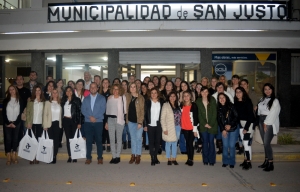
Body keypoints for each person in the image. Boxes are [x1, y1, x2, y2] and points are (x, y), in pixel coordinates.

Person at [257, 83, 281, 172]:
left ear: (272, 90)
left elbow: (273, 113)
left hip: (269, 122)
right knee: (264, 143)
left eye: (269, 89)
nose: (267, 91)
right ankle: (266, 161)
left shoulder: (275, 101)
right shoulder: (262, 99)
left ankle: (271, 163)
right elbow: (260, 110)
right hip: (261, 120)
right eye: (265, 89)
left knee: (267, 143)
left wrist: (266, 123)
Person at [82, 83, 106, 165]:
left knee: (99, 141)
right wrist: (90, 117)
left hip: (98, 122)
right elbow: (83, 110)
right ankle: (88, 158)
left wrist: (95, 117)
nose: (93, 88)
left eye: (94, 87)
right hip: (88, 122)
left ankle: (100, 158)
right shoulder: (86, 99)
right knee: (88, 141)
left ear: (97, 88)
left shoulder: (102, 98)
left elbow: (103, 110)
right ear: (89, 88)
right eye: (91, 87)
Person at [2, 85, 25, 165]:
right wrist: (8, 123)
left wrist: (15, 123)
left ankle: (14, 154)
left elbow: (20, 113)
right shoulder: (5, 101)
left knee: (15, 139)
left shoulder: (20, 100)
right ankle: (8, 155)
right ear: (8, 91)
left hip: (16, 123)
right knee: (8, 139)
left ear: (16, 90)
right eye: (10, 90)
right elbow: (4, 114)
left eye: (13, 89)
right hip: (7, 123)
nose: (11, 91)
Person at [196, 86, 217, 166]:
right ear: (200, 93)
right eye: (203, 92)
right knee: (205, 142)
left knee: (211, 142)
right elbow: (198, 114)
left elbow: (215, 113)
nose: (204, 93)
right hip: (203, 125)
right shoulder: (198, 101)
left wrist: (210, 124)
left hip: (212, 125)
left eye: (206, 92)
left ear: (208, 92)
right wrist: (204, 123)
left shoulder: (212, 100)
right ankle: (205, 159)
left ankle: (211, 160)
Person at [105, 84, 126, 164]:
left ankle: (118, 156)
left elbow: (125, 111)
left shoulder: (122, 98)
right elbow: (107, 111)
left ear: (119, 90)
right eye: (114, 89)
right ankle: (113, 156)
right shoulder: (109, 99)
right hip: (110, 119)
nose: (115, 91)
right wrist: (106, 122)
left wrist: (123, 120)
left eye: (117, 89)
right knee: (112, 139)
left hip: (119, 120)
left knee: (119, 139)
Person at [234, 87, 254, 170]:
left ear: (243, 93)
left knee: (246, 143)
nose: (238, 93)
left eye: (240, 92)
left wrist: (246, 128)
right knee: (244, 143)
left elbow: (251, 116)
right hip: (241, 125)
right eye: (237, 92)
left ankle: (248, 162)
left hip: (248, 124)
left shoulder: (248, 102)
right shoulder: (236, 102)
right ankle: (246, 160)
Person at [61, 86, 83, 163]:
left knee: (74, 139)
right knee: (68, 139)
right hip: (66, 121)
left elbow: (80, 112)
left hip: (74, 121)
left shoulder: (77, 100)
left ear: (72, 91)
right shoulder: (63, 100)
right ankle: (70, 156)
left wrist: (79, 122)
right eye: (67, 91)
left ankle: (74, 155)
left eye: (70, 90)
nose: (68, 92)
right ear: (65, 92)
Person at [217, 93, 238, 168]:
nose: (222, 99)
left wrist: (230, 125)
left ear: (226, 98)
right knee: (225, 146)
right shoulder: (218, 108)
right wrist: (223, 129)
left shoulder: (231, 106)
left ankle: (232, 162)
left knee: (231, 146)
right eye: (220, 98)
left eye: (223, 97)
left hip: (233, 129)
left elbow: (236, 117)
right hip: (224, 130)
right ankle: (225, 161)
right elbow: (219, 121)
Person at [212, 82, 234, 154]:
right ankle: (220, 148)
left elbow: (232, 107)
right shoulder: (213, 96)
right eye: (218, 87)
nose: (219, 89)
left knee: (226, 134)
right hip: (217, 118)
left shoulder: (228, 95)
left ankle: (226, 148)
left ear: (224, 88)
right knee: (218, 133)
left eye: (221, 87)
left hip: (228, 119)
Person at [144, 88, 164, 166]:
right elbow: (145, 114)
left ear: (158, 94)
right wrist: (145, 125)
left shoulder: (161, 102)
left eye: (155, 93)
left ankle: (155, 157)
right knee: (151, 142)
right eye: (152, 93)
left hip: (159, 124)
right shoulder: (148, 102)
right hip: (150, 124)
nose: (153, 94)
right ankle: (152, 158)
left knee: (157, 142)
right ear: (150, 94)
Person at [26, 85, 46, 164]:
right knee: (31, 140)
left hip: (40, 123)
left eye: (39, 90)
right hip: (32, 123)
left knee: (38, 140)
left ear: (41, 92)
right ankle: (31, 156)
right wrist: (28, 122)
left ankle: (37, 156)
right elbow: (28, 112)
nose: (38, 92)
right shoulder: (30, 101)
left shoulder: (44, 102)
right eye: (36, 90)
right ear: (34, 91)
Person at [160, 91, 181, 165]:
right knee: (168, 143)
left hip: (178, 127)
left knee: (175, 143)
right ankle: (169, 159)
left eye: (174, 96)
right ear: (168, 97)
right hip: (169, 127)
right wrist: (164, 129)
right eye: (171, 96)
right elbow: (162, 118)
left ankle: (174, 158)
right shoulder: (165, 105)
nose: (172, 98)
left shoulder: (178, 104)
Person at [126, 82, 145, 165]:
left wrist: (140, 122)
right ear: (129, 88)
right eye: (131, 87)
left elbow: (142, 111)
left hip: (138, 122)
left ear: (136, 88)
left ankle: (138, 156)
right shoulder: (128, 97)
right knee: (133, 139)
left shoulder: (140, 98)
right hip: (130, 122)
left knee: (138, 139)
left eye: (134, 87)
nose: (133, 88)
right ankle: (133, 155)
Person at [43, 88, 62, 164]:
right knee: (50, 141)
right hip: (49, 124)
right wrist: (45, 125)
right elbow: (45, 114)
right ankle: (49, 156)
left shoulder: (60, 103)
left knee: (56, 141)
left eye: (56, 92)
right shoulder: (48, 103)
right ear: (51, 94)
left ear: (58, 94)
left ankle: (54, 156)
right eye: (53, 92)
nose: (55, 94)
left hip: (57, 124)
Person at [180, 91, 199, 166]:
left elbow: (196, 118)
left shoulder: (194, 105)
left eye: (187, 95)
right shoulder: (182, 105)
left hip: (191, 128)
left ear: (190, 96)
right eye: (184, 96)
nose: (186, 97)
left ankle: (191, 159)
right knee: (187, 143)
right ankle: (188, 158)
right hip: (184, 128)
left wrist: (195, 130)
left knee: (190, 143)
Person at [99, 78, 111, 152]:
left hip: (109, 113)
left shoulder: (111, 92)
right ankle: (103, 144)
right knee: (102, 129)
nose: (105, 84)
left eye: (107, 82)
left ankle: (109, 144)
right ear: (102, 83)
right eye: (104, 82)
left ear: (109, 84)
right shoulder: (99, 92)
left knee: (108, 129)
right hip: (100, 113)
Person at [121, 80, 131, 149]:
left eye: (125, 85)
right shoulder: (119, 95)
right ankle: (124, 142)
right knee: (123, 131)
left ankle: (129, 142)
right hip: (121, 115)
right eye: (123, 85)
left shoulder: (130, 95)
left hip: (129, 115)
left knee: (129, 130)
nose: (124, 86)